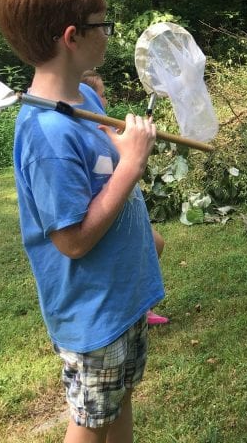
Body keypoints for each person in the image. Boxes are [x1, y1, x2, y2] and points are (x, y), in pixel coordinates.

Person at [0, 0, 164, 443]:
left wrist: (140, 231)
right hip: (93, 313)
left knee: (121, 400)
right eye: (103, 24)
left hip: (123, 295)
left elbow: (99, 180)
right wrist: (131, 165)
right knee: (89, 423)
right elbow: (71, 240)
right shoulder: (47, 133)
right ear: (73, 36)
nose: (108, 34)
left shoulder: (85, 95)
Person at [81, 69, 169, 326]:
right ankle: (131, 311)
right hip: (109, 212)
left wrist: (140, 141)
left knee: (155, 245)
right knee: (132, 257)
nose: (105, 101)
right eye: (101, 95)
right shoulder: (88, 134)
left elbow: (129, 153)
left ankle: (142, 308)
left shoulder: (107, 128)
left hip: (128, 211)